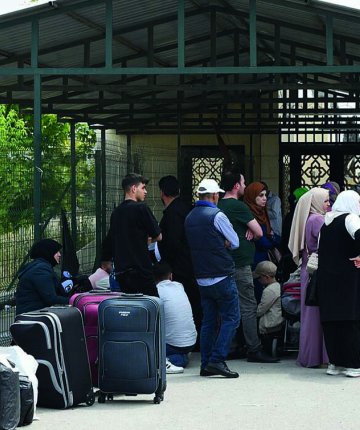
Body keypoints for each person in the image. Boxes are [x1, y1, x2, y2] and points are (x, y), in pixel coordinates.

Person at [218, 169, 278, 363]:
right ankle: (254, 347)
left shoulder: (218, 205)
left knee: (227, 306)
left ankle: (231, 346)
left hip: (223, 263)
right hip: (241, 263)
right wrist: (252, 231)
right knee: (248, 305)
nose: (244, 186)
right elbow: (259, 232)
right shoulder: (239, 207)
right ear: (236, 186)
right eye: (243, 183)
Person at [185, 178, 240, 378]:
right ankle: (217, 360)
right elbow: (235, 242)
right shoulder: (217, 215)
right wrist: (222, 243)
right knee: (231, 318)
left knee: (208, 321)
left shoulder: (189, 217)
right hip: (221, 274)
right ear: (215, 195)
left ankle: (206, 363)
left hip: (201, 276)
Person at [317, 190, 360, 377]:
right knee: (351, 319)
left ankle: (334, 363)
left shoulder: (325, 223)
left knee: (331, 320)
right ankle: (353, 364)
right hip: (348, 278)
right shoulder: (351, 219)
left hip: (327, 278)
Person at [288, 187, 330, 368]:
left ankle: (311, 356)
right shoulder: (318, 219)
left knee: (311, 315)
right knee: (317, 316)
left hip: (308, 270)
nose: (329, 204)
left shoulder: (309, 218)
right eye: (326, 200)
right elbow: (327, 245)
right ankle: (318, 357)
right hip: (317, 272)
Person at [157, 175, 202, 342]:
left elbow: (173, 243)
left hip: (180, 267)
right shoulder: (186, 209)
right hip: (192, 263)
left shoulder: (172, 214)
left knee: (188, 301)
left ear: (162, 193)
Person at [102, 173, 162, 296]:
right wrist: (148, 239)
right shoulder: (141, 208)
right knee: (152, 307)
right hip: (141, 270)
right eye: (143, 188)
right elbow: (158, 235)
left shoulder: (116, 213)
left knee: (131, 308)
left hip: (122, 272)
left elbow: (110, 239)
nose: (145, 192)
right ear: (134, 189)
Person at [153, 261, 197, 374]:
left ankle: (162, 360)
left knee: (146, 353)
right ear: (170, 275)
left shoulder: (156, 291)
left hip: (173, 344)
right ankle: (180, 357)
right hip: (191, 342)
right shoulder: (179, 286)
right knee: (182, 357)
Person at [243, 182, 281, 302]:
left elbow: (276, 239)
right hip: (255, 261)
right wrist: (271, 238)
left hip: (265, 260)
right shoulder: (248, 215)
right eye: (260, 195)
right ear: (252, 196)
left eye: (265, 195)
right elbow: (264, 243)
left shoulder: (262, 213)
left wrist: (271, 238)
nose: (264, 198)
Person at [16, 239, 69, 315]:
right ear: (48, 252)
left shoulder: (40, 266)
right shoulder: (40, 270)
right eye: (56, 252)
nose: (59, 254)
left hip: (35, 314)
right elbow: (51, 299)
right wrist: (74, 301)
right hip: (33, 317)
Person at [254, 261, 284, 336]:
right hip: (278, 321)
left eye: (259, 278)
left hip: (270, 325)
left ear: (266, 277)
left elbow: (260, 311)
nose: (258, 280)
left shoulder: (269, 290)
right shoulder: (278, 285)